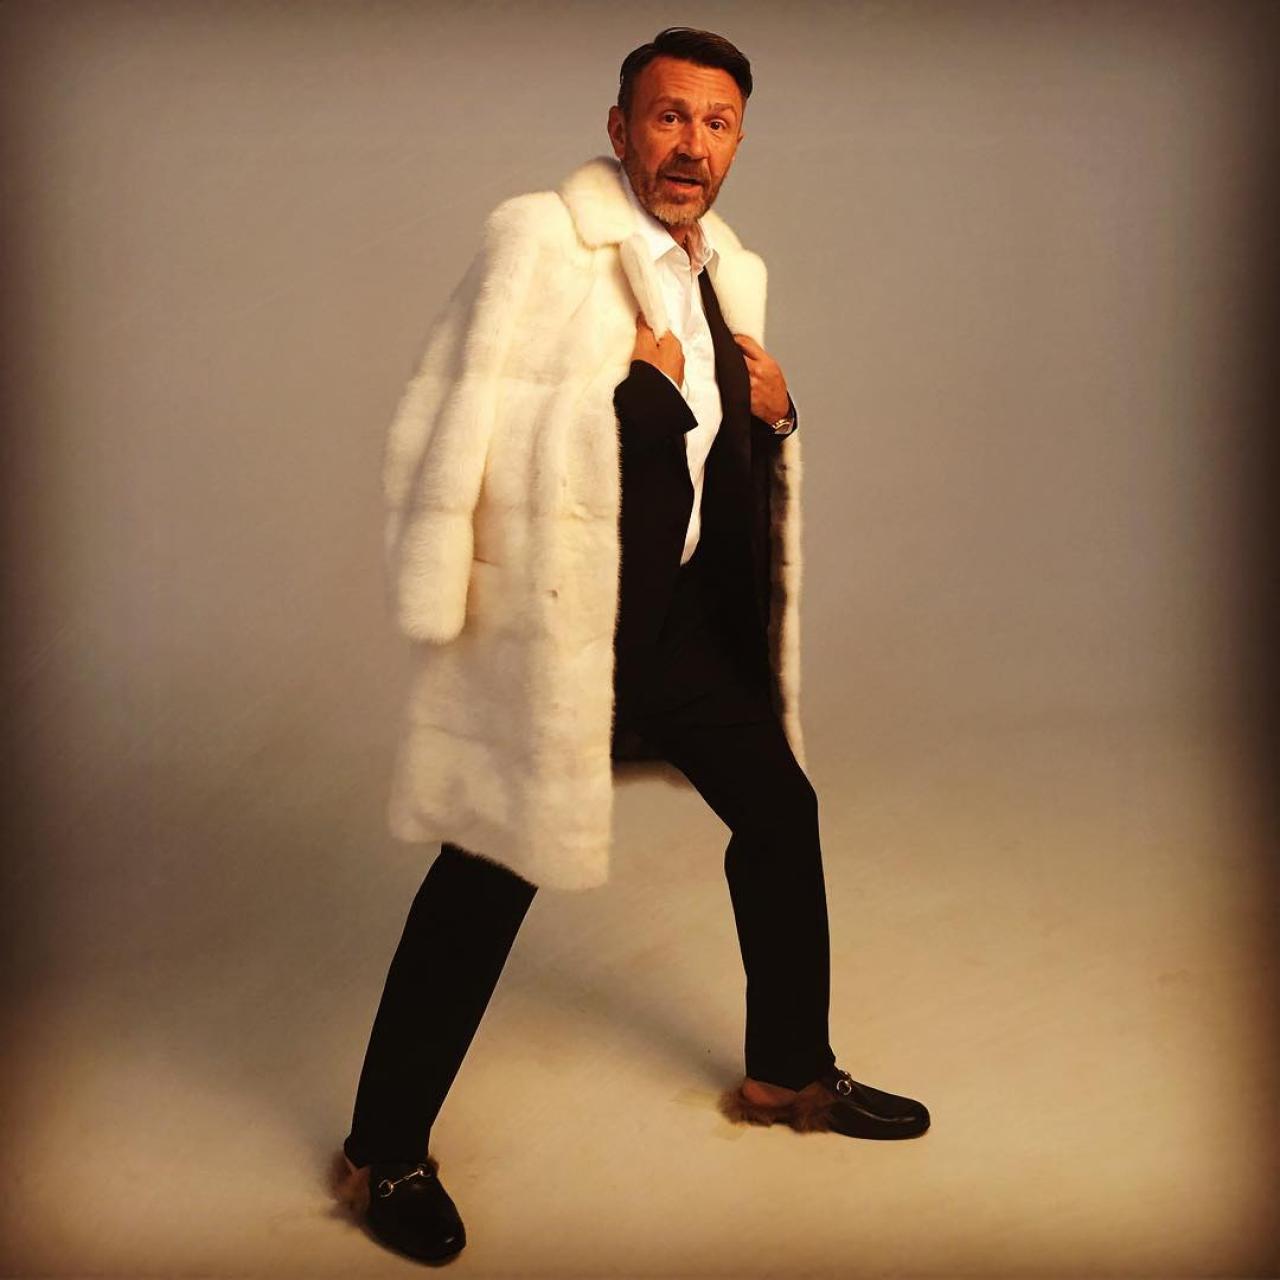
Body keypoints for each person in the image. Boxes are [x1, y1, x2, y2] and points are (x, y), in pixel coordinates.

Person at [330, 26, 930, 1267]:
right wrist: (632, 404)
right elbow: (457, 422)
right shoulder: (539, 243)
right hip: (563, 625)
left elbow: (709, 450)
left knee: (779, 809)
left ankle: (785, 1070)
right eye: (667, 117)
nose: (689, 145)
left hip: (675, 625)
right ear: (619, 128)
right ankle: (383, 1149)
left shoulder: (727, 271)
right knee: (487, 871)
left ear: (738, 141)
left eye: (715, 123)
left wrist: (776, 416)